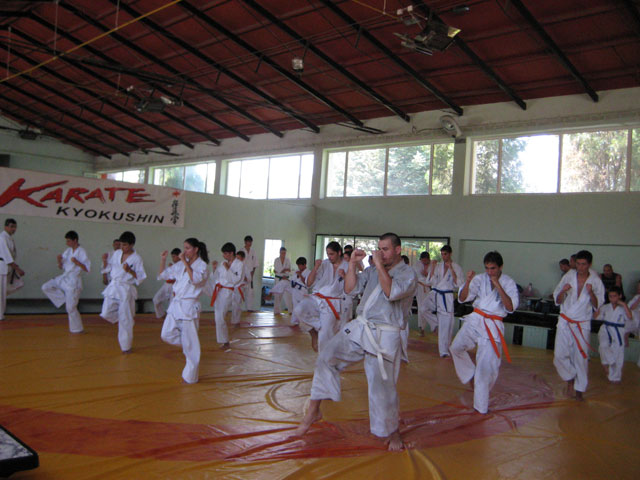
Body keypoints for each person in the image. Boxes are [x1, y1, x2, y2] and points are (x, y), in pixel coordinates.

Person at [292, 233, 416, 451]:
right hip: (361, 326)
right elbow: (350, 289)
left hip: (385, 334)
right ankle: (314, 410)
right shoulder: (372, 271)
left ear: (398, 250)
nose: (381, 253)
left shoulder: (408, 274)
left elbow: (390, 292)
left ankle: (392, 432)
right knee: (326, 356)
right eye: (379, 249)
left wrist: (378, 265)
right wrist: (351, 265)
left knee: (382, 388)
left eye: (385, 249)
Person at [450, 251, 519, 414]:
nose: (489, 272)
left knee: (485, 369)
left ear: (501, 267)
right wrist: (468, 281)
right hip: (476, 319)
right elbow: (463, 298)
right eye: (487, 268)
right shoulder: (480, 279)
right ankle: (470, 374)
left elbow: (510, 308)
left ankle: (480, 409)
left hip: (493, 325)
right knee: (455, 347)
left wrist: (498, 285)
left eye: (492, 268)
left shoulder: (508, 282)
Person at [553, 250, 605, 400]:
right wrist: (563, 291)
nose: (580, 267)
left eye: (583, 264)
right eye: (578, 264)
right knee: (559, 356)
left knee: (581, 357)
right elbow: (557, 300)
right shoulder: (568, 276)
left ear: (590, 264)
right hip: (565, 320)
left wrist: (591, 293)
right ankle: (570, 378)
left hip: (582, 323)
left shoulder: (595, 281)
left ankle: (579, 390)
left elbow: (597, 305)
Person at [159, 238, 210, 384]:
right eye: (184, 248)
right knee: (166, 334)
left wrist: (184, 262)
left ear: (196, 249)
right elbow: (164, 275)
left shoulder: (202, 266)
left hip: (189, 306)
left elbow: (195, 280)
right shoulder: (181, 264)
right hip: (176, 304)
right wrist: (163, 260)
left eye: (187, 248)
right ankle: (190, 345)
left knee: (190, 345)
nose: (184, 251)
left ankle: (190, 377)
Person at [294, 241, 348, 352]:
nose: (329, 257)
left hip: (333, 302)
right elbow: (309, 283)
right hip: (317, 297)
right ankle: (316, 330)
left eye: (332, 254)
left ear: (339, 252)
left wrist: (345, 276)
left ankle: (324, 359)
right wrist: (315, 267)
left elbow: (352, 287)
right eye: (327, 254)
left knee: (325, 337)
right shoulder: (324, 264)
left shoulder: (347, 266)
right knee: (299, 310)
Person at [100, 231, 147, 353]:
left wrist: (130, 271)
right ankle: (123, 319)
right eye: (121, 244)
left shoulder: (137, 258)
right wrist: (104, 261)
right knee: (105, 312)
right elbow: (109, 268)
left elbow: (141, 277)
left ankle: (126, 347)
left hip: (126, 289)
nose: (122, 247)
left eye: (125, 245)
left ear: (131, 245)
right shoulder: (117, 253)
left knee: (125, 319)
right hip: (114, 286)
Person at [41, 231, 91, 333]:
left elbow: (87, 269)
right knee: (46, 287)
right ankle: (62, 300)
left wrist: (77, 262)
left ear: (75, 240)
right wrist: (59, 260)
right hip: (64, 278)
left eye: (68, 241)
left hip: (74, 281)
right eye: (66, 241)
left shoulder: (82, 251)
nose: (67, 243)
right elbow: (61, 267)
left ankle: (77, 329)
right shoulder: (68, 251)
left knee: (70, 308)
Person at [427, 245, 464, 357]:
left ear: (450, 254)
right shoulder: (438, 266)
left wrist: (451, 270)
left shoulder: (456, 267)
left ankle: (446, 349)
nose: (443, 256)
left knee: (448, 324)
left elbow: (459, 284)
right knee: (425, 309)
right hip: (437, 295)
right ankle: (436, 327)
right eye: (442, 254)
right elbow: (431, 281)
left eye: (445, 254)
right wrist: (432, 267)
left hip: (447, 297)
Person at [210, 242, 244, 349]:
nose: (223, 256)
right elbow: (216, 277)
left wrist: (228, 268)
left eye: (225, 253)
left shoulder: (239, 264)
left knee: (220, 316)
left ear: (231, 253)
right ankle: (224, 340)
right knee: (218, 316)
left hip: (228, 292)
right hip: (218, 290)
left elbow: (235, 280)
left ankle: (225, 341)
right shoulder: (223, 263)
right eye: (223, 254)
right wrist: (214, 269)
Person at [595, 286, 632, 383]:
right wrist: (596, 309)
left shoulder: (623, 308)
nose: (612, 299)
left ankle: (614, 377)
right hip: (605, 329)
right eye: (610, 296)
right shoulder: (605, 307)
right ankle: (608, 362)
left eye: (614, 296)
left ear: (620, 296)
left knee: (618, 353)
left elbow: (630, 317)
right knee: (603, 346)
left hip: (618, 330)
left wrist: (624, 304)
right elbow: (596, 317)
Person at [0, 218, 25, 321]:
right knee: (1, 292)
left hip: (8, 268)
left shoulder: (9, 238)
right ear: (6, 227)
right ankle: (0, 315)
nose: (13, 229)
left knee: (18, 284)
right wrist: (17, 268)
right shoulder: (2, 237)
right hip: (2, 267)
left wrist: (15, 266)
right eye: (11, 227)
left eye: (15, 227)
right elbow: (7, 256)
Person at [152, 248, 180, 319]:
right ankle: (161, 315)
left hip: (175, 286)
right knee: (156, 299)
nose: (173, 259)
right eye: (172, 257)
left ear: (179, 256)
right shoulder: (171, 266)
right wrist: (163, 260)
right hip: (166, 285)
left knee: (172, 304)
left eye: (174, 256)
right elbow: (162, 275)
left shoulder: (183, 265)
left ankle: (171, 318)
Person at [414, 251, 436, 336]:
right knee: (421, 308)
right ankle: (421, 328)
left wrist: (427, 275)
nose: (423, 262)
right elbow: (414, 276)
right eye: (422, 260)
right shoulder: (417, 264)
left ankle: (433, 326)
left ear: (428, 259)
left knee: (428, 308)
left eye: (425, 260)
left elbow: (434, 279)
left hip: (430, 288)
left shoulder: (433, 265)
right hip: (420, 288)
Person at [238, 235, 259, 312]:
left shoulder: (253, 251)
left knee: (250, 293)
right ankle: (238, 308)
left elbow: (255, 264)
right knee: (240, 292)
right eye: (248, 242)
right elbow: (239, 264)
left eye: (250, 242)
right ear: (245, 242)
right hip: (242, 274)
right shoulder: (241, 251)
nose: (249, 243)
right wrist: (243, 276)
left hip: (250, 274)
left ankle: (249, 308)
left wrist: (251, 275)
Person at [272, 247, 293, 315]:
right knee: (277, 295)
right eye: (282, 253)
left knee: (288, 295)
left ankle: (290, 311)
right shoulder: (276, 260)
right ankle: (277, 311)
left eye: (284, 253)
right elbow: (277, 270)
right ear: (280, 252)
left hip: (286, 279)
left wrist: (284, 271)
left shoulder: (288, 260)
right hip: (278, 279)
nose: (283, 254)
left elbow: (289, 270)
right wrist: (283, 270)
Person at [289, 257, 310, 326]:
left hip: (302, 291)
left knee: (302, 307)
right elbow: (292, 279)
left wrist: (300, 275)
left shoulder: (309, 272)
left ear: (304, 265)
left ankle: (307, 321)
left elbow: (307, 283)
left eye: (300, 265)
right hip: (295, 290)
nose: (298, 267)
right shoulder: (297, 271)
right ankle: (295, 321)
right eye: (298, 265)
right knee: (295, 306)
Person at [626, 281, 640, 367]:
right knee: (632, 314)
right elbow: (629, 308)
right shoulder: (636, 297)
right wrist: (638, 300)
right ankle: (626, 334)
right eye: (638, 288)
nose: (639, 290)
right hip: (635, 321)